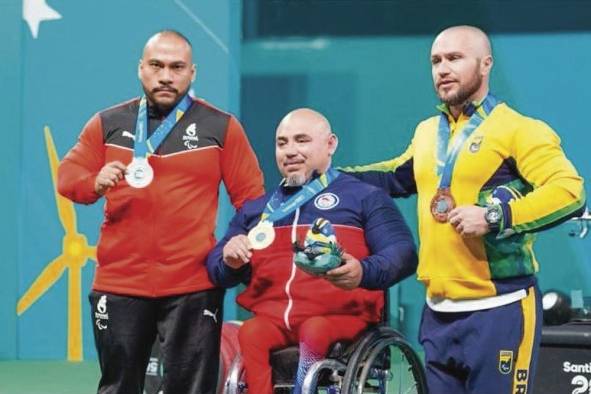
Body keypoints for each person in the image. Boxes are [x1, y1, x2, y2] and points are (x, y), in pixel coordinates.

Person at [342, 25, 586, 394]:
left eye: (455, 58)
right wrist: (326, 177)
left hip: (500, 309)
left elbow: (570, 191)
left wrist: (494, 217)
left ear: (486, 64)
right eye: (436, 61)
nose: (442, 68)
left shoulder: (520, 129)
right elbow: (394, 176)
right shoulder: (427, 132)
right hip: (439, 313)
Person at [57, 30, 264, 394]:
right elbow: (68, 177)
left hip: (193, 284)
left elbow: (251, 200)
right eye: (156, 66)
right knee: (119, 387)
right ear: (141, 69)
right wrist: (95, 182)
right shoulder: (108, 123)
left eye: (176, 67)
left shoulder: (222, 127)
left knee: (192, 389)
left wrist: (235, 245)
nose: (166, 76)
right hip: (120, 283)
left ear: (192, 73)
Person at [206, 108, 418, 394]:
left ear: (330, 145)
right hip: (275, 319)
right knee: (251, 332)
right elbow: (217, 268)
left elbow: (403, 253)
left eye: (302, 140)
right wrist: (230, 259)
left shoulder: (363, 197)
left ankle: (303, 388)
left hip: (340, 317)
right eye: (282, 143)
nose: (290, 151)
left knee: (314, 328)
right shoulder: (257, 210)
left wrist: (363, 271)